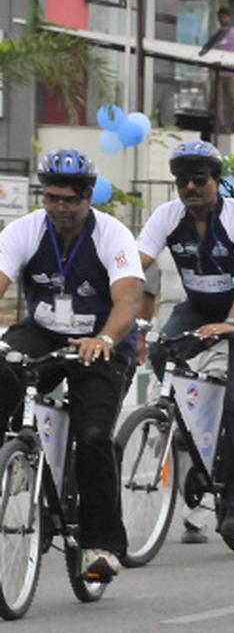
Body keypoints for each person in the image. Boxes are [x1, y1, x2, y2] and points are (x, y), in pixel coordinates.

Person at [0, 149, 143, 578]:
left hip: (101, 340)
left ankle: (101, 545)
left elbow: (129, 299)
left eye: (70, 199)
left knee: (95, 435)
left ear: (88, 196)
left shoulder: (112, 235)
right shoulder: (23, 231)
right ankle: (12, 458)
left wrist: (104, 338)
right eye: (52, 198)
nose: (60, 207)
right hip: (43, 331)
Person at [138, 140, 234, 539]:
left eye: (199, 179)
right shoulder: (168, 216)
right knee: (161, 350)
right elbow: (135, 267)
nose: (190, 187)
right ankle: (190, 430)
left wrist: (233, 321)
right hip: (201, 306)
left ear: (216, 182)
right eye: (182, 181)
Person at [201, 8, 234, 133]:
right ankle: (220, 125)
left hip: (232, 72)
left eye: (225, 17)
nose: (223, 19)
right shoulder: (215, 34)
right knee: (218, 102)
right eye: (221, 17)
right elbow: (210, 51)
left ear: (229, 18)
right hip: (218, 72)